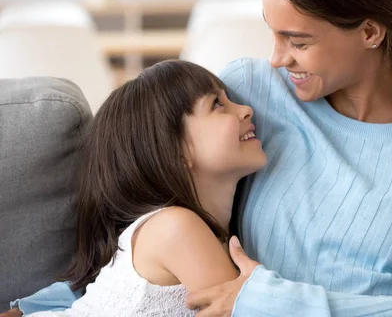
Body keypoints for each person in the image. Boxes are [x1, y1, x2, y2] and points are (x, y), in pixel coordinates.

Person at [4, 0, 392, 316]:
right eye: (273, 33)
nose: (278, 59)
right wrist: (40, 308)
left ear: (370, 32)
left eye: (298, 41)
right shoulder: (254, 92)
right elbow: (156, 201)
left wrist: (272, 300)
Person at [8, 60, 266, 316]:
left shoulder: (197, 231)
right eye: (217, 104)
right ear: (174, 152)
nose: (246, 109)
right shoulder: (176, 226)